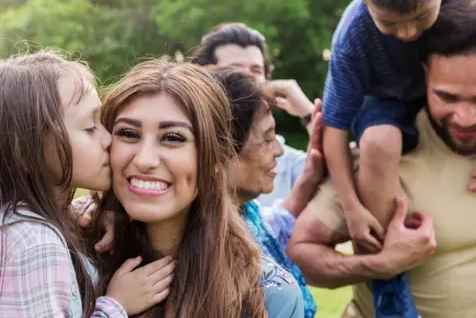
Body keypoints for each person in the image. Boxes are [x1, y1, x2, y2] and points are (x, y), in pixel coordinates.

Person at [288, 0, 476, 318]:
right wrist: (380, 264)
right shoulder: (383, 154)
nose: (465, 118)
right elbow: (301, 253)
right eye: (447, 96)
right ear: (425, 75)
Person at [0, 51, 175, 318]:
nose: (108, 139)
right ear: (25, 150)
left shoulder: (17, 227)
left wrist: (98, 209)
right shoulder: (33, 244)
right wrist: (117, 305)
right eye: (90, 127)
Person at [85, 60, 305, 317]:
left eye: (173, 138)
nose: (144, 159)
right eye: (128, 133)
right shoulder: (72, 263)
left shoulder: (269, 295)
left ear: (215, 159)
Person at [216, 69, 323, 317]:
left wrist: (308, 179)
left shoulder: (245, 217)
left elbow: (275, 223)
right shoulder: (210, 248)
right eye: (266, 139)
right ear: (222, 149)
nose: (279, 151)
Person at [192, 22, 314, 206]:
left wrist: (309, 114)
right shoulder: (188, 152)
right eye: (234, 69)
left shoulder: (284, 161)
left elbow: (343, 180)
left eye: (256, 70)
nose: (248, 77)